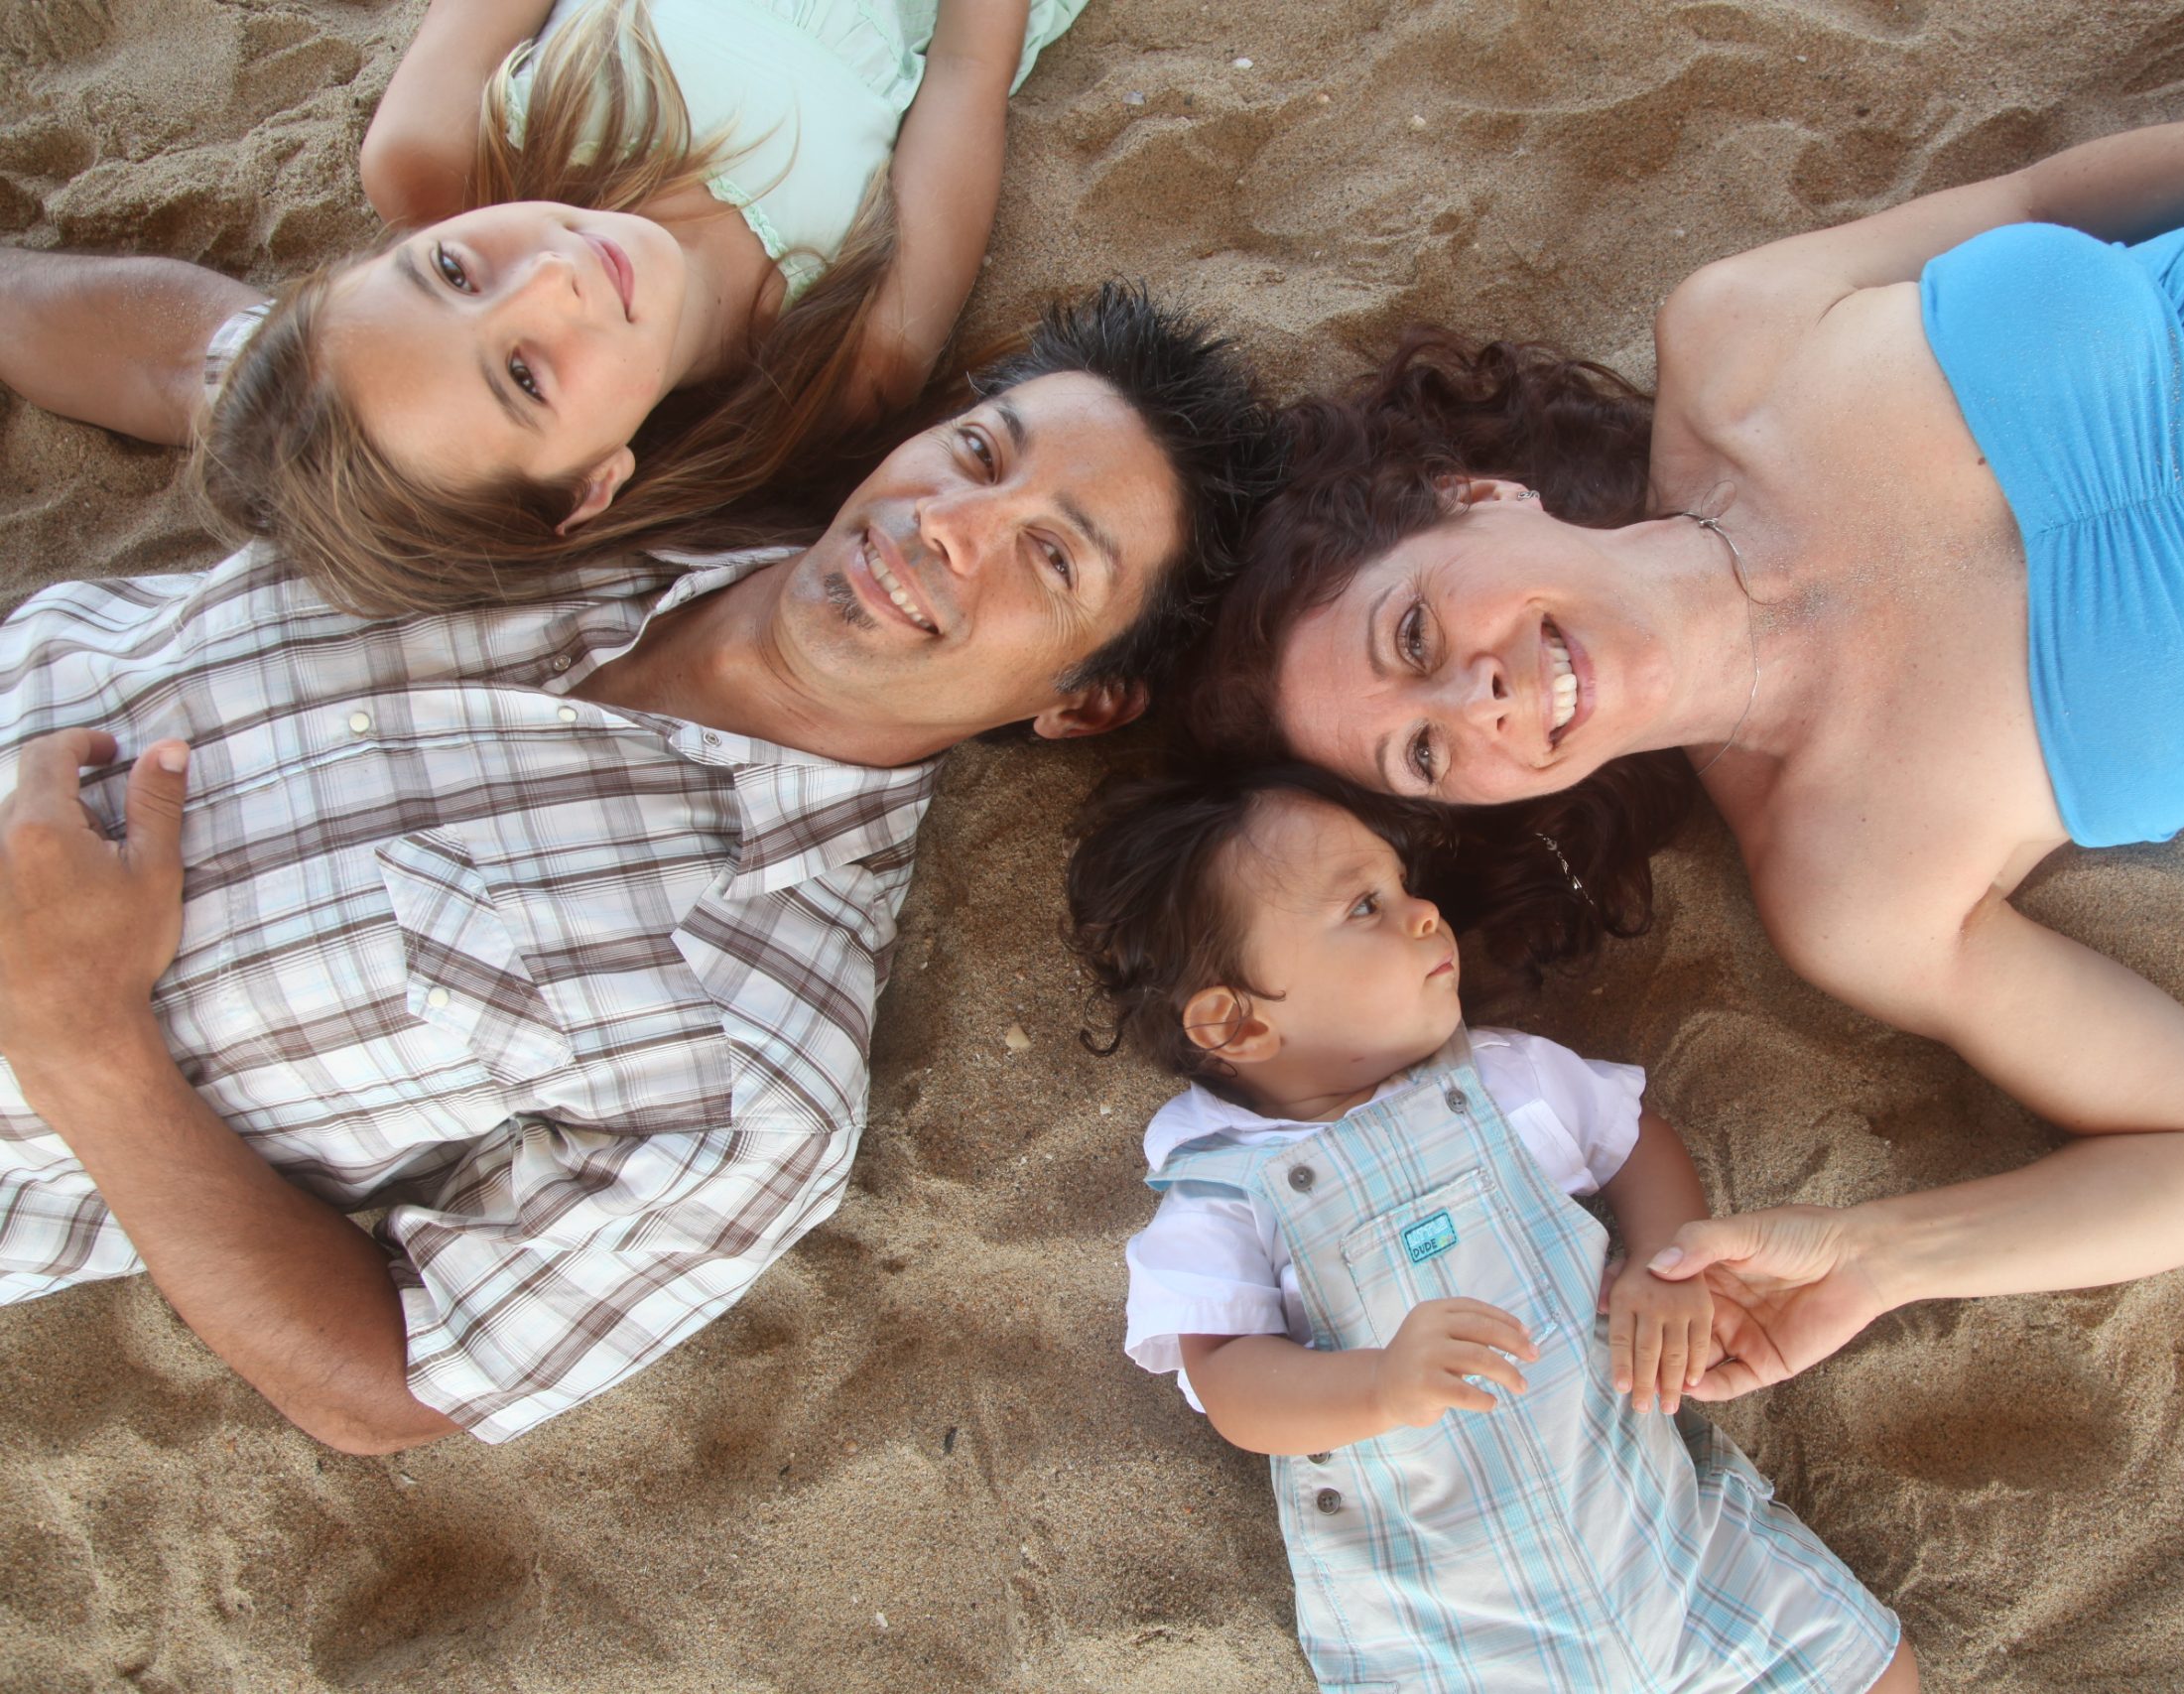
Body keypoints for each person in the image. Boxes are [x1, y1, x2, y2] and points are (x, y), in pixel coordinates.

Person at [1193, 70, 2184, 1399]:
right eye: (1424, 753)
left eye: (1414, 635)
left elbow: (2054, 193)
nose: (1472, 701)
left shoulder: (1737, 334)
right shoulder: (1851, 886)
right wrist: (1877, 1254)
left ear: (1473, 494)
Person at [0, 286, 1282, 1455]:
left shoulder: (750, 1061)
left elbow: (390, 1380)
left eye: (1052, 556)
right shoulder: (646, 458)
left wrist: (85, 1042)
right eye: (978, 453)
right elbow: (231, 361)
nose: (949, 527)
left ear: (1085, 705)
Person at [1067, 764, 1915, 1694]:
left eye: (1401, 885)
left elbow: (1634, 1140)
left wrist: (1667, 1263)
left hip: (1658, 1532)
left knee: (1872, 1670)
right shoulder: (1224, 1185)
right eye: (1363, 907)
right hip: (1455, 1626)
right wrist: (1379, 1384)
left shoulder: (1505, 1080)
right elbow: (1229, 1378)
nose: (1423, 912)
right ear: (1235, 1022)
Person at [0, 0, 1086, 613]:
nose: (550, 279)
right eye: (524, 375)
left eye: (452, 273)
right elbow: (965, 68)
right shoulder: (839, 358)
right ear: (592, 482)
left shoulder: (431, 154)